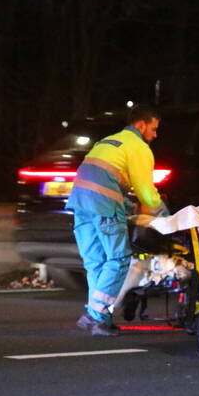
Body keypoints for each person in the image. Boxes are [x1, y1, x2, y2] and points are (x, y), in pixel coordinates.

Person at [66, 104, 167, 336]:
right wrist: (165, 216)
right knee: (119, 258)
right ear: (141, 125)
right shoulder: (138, 147)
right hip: (104, 204)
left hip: (80, 203)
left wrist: (128, 205)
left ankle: (100, 318)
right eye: (153, 129)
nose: (155, 135)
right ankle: (95, 314)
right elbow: (146, 191)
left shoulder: (107, 141)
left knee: (96, 262)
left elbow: (105, 176)